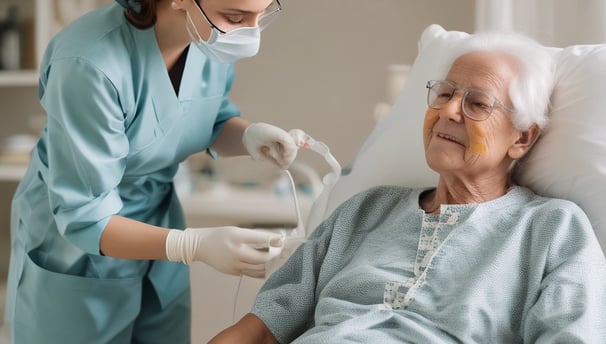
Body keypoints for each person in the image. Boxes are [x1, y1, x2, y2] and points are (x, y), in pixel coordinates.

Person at [209, 31, 606, 343]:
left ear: (521, 138)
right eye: (446, 93)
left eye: (477, 104)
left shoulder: (553, 231)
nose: (449, 111)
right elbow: (259, 331)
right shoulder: (364, 212)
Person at [4, 0, 308, 343]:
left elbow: (202, 117)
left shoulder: (206, 41)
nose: (250, 34)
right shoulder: (88, 63)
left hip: (159, 228)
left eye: (263, 15)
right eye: (236, 17)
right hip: (79, 249)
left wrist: (248, 136)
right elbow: (86, 215)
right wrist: (192, 245)